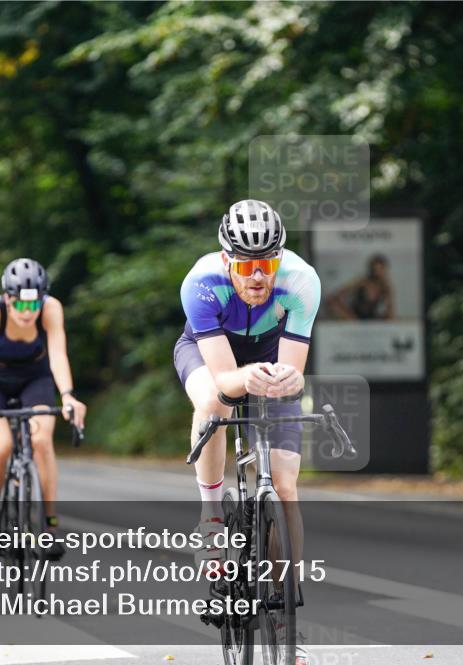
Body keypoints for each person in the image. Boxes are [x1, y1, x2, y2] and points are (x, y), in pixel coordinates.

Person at [174, 199, 319, 665]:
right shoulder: (201, 283)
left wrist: (290, 380)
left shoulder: (301, 282)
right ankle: (211, 515)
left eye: (268, 263)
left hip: (271, 349)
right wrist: (250, 376)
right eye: (247, 265)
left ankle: (287, 625)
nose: (259, 276)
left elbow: (292, 371)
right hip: (210, 351)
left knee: (285, 484)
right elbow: (223, 378)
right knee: (215, 404)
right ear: (226, 261)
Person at [0, 258, 86, 560]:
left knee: (41, 441)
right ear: (7, 299)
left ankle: (49, 526)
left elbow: (58, 355)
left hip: (35, 378)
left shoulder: (51, 308)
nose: (27, 313)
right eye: (20, 306)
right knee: (0, 448)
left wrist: (69, 396)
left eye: (33, 306)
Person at [328, 253, 395, 320]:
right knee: (333, 304)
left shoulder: (385, 287)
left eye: (381, 270)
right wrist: (348, 315)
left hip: (371, 318)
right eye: (375, 270)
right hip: (354, 316)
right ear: (371, 269)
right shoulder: (361, 282)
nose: (378, 273)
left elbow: (390, 311)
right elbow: (334, 297)